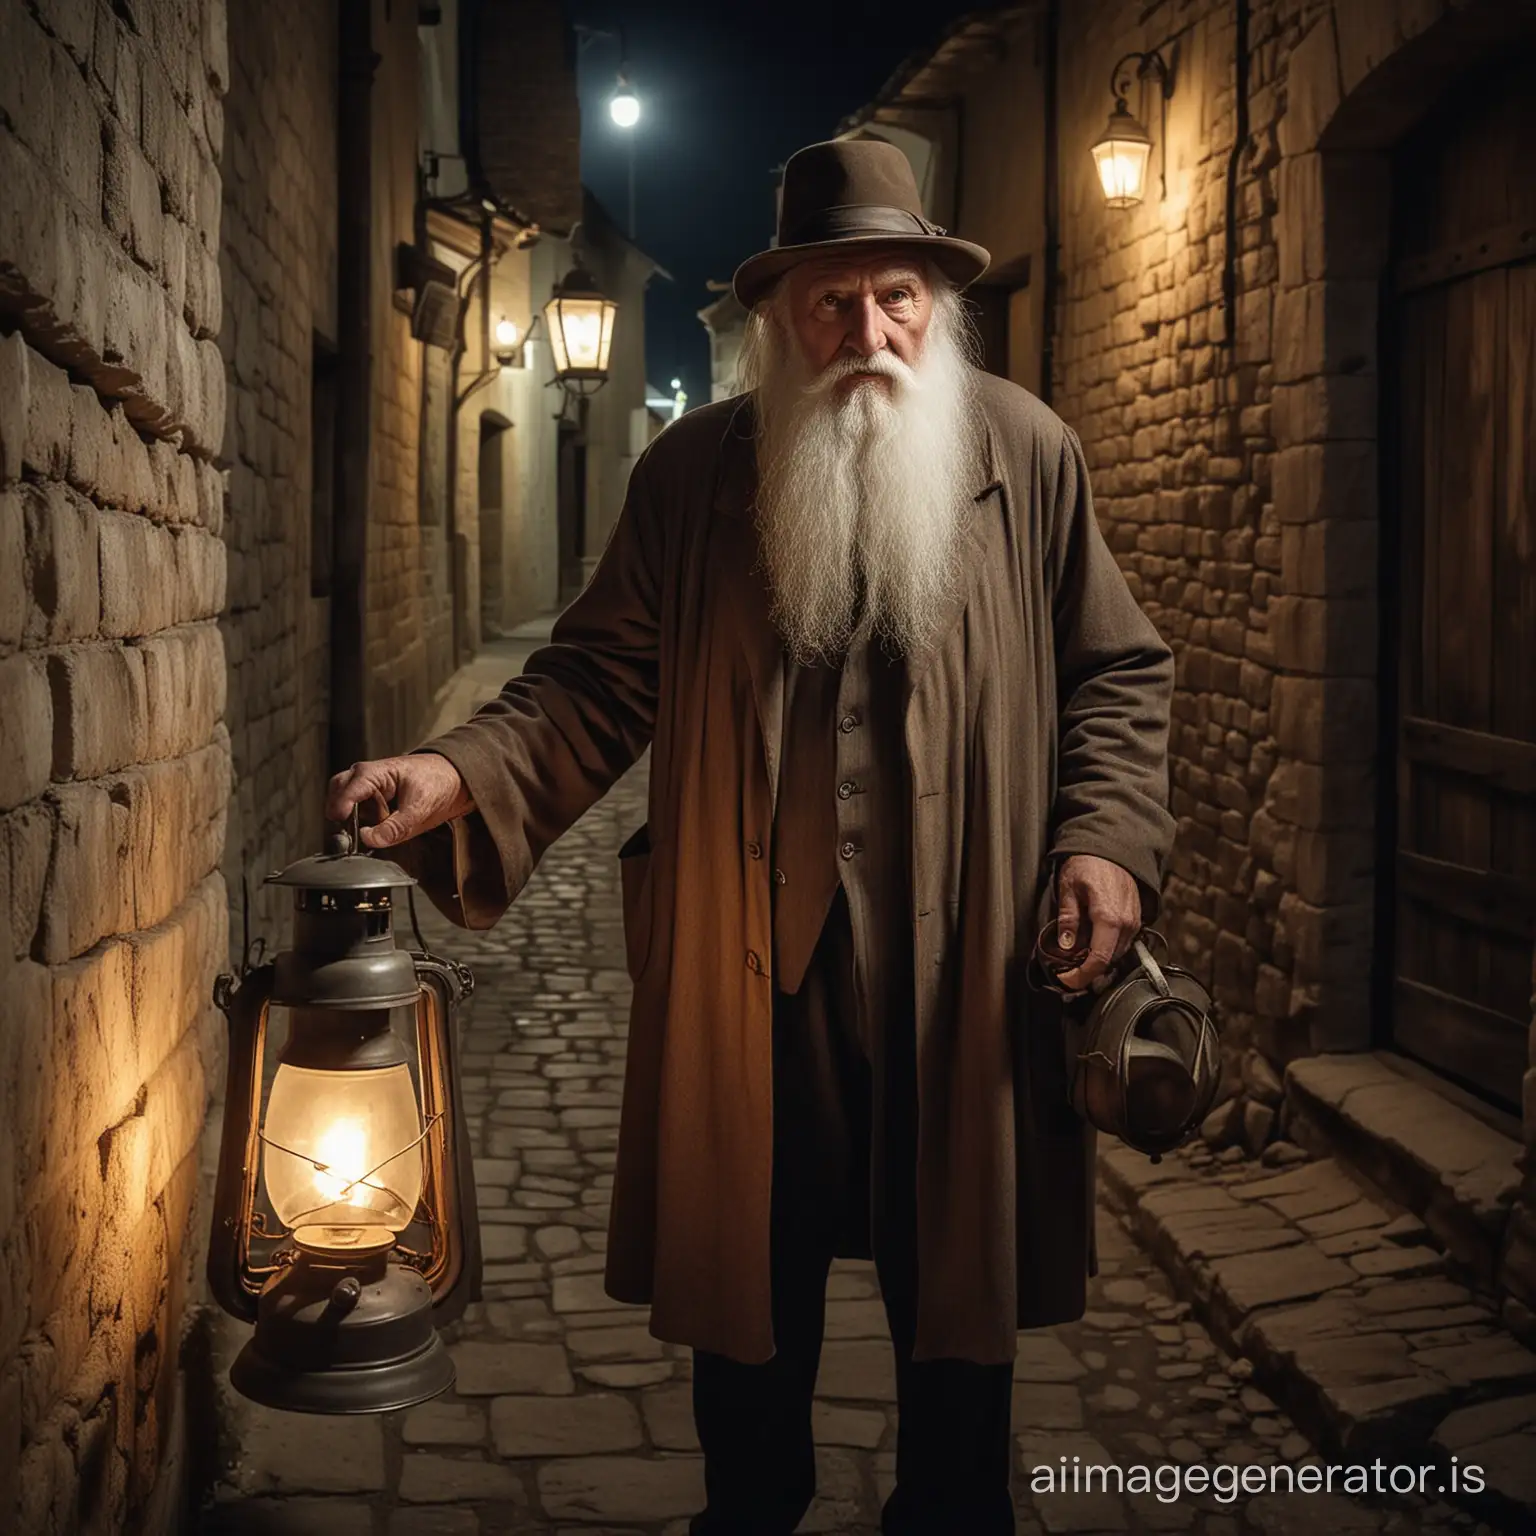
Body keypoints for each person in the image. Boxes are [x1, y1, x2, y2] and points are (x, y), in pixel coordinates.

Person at [328, 138, 1174, 1535]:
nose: (868, 333)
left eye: (894, 297)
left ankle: (953, 1516)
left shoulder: (1028, 455)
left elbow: (1118, 674)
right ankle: (751, 1511)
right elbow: (591, 682)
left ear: (934, 303)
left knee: (953, 1292)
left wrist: (1105, 842)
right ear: (781, 318)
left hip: (961, 965)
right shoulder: (694, 474)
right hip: (751, 965)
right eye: (831, 305)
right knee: (750, 1295)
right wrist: (455, 770)